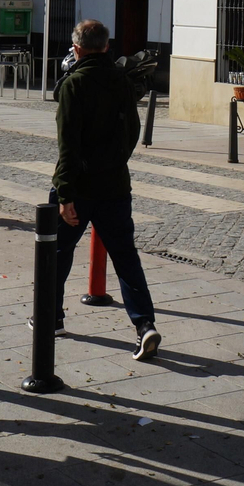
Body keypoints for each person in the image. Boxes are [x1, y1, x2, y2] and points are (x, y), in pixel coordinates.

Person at [51, 19, 161, 361]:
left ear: (77, 48)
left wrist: (65, 193)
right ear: (106, 47)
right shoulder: (123, 82)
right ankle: (144, 325)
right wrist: (112, 163)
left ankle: (52, 317)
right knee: (126, 257)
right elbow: (132, 134)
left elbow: (68, 144)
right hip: (115, 184)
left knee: (56, 253)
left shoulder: (74, 84)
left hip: (81, 186)